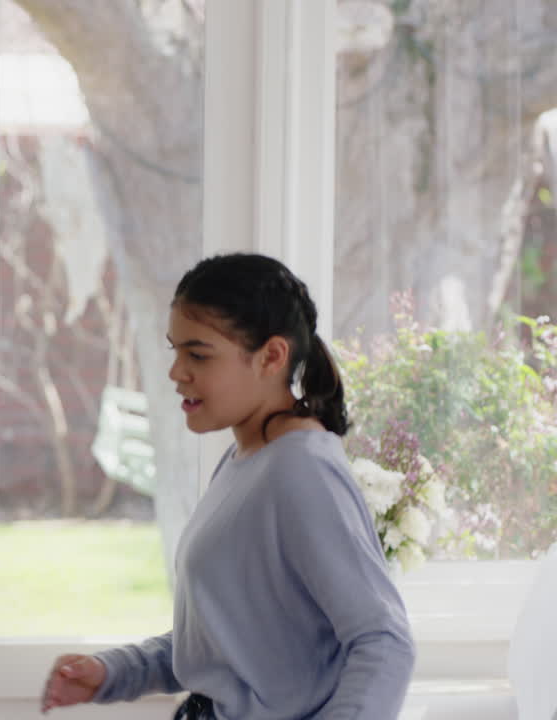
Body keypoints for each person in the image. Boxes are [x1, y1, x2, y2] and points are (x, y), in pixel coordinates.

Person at [41, 253, 415, 719]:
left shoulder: (302, 471)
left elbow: (384, 639)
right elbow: (227, 643)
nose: (177, 372)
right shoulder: (248, 460)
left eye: (197, 354)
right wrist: (112, 671)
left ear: (271, 356)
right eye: (174, 350)